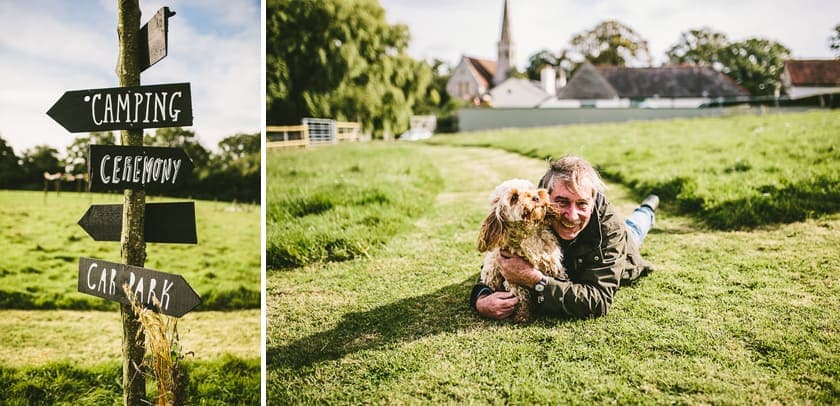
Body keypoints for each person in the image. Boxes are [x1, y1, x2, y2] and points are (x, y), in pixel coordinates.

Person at [470, 155, 658, 319]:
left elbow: (597, 300)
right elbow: (499, 256)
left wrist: (535, 280)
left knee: (634, 229)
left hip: (625, 246)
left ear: (594, 200)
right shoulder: (535, 204)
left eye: (582, 204)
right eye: (562, 202)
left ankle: (647, 209)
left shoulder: (610, 231)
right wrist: (482, 298)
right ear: (548, 195)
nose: (572, 215)